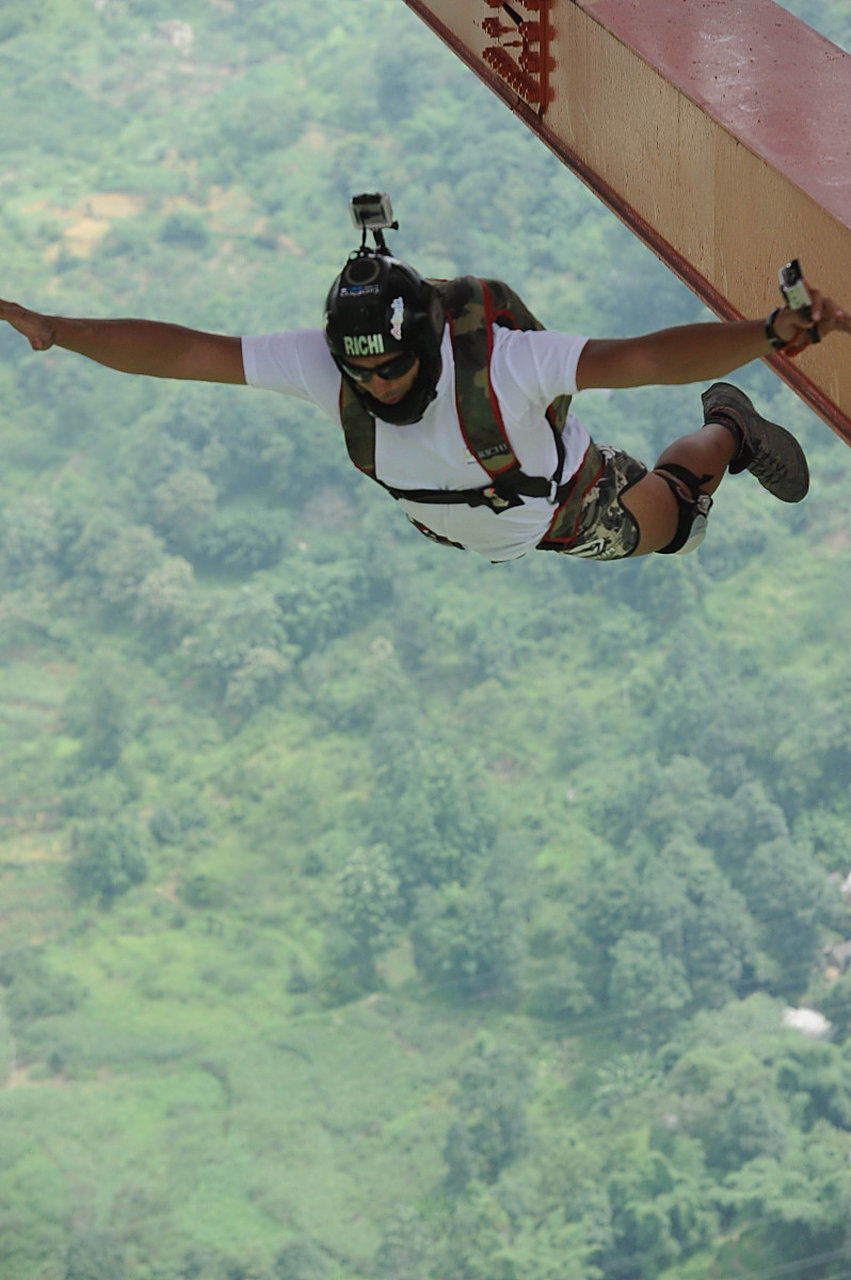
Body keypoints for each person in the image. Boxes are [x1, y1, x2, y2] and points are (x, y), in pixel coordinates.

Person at [1, 223, 848, 565]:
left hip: (558, 505)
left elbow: (642, 359)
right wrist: (59, 329)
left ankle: (729, 426)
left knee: (673, 524)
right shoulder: (325, 364)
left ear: (426, 343)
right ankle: (724, 430)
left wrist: (766, 335)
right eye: (360, 370)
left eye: (391, 369)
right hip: (470, 517)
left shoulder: (506, 364)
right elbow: (186, 351)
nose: (374, 384)